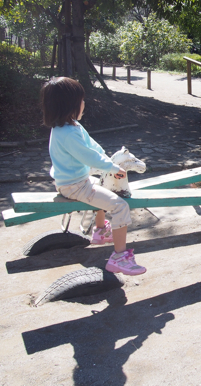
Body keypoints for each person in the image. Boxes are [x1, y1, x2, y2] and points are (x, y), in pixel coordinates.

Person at [40, 77, 146, 275]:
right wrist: (112, 168)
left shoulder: (70, 126)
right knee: (120, 206)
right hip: (75, 186)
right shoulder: (68, 133)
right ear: (70, 105)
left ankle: (100, 231)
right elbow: (87, 156)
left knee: (104, 186)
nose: (84, 104)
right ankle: (119, 257)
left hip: (74, 181)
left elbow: (92, 146)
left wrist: (108, 162)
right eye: (81, 100)